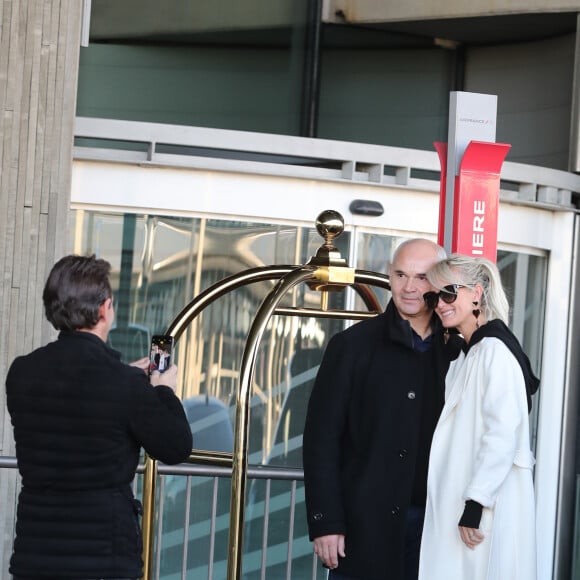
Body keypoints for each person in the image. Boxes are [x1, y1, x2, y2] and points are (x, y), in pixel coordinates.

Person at [6, 254, 193, 580]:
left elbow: (78, 398)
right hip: (104, 560)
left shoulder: (22, 373)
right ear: (105, 308)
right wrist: (162, 389)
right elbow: (176, 446)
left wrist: (128, 377)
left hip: (36, 555)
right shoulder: (124, 384)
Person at [302, 238, 462, 580]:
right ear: (389, 276)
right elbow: (321, 440)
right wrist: (325, 522)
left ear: (438, 283)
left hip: (436, 530)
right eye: (401, 275)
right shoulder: (351, 346)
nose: (408, 287)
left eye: (420, 278)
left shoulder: (459, 352)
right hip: (363, 531)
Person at [418, 254, 539, 580]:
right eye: (434, 296)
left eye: (449, 293)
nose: (440, 304)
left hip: (483, 512)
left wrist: (476, 503)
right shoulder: (468, 354)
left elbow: (501, 434)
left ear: (476, 293)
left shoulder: (495, 352)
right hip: (467, 507)